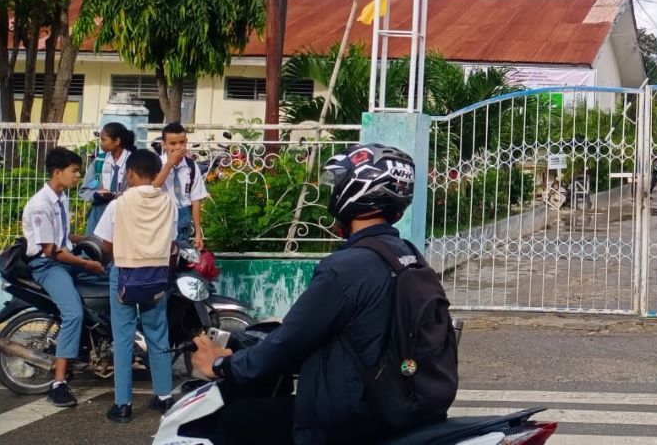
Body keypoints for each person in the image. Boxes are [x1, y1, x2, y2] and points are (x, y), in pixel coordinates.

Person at [189, 144, 432, 445]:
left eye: (338, 184)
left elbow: (289, 340)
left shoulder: (345, 267)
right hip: (393, 403)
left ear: (355, 191)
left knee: (236, 421)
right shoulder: (407, 255)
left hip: (346, 416)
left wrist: (222, 365)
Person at [95, 148, 178, 424]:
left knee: (123, 339)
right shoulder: (169, 203)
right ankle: (164, 396)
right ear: (157, 174)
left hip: (125, 274)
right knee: (158, 335)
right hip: (156, 274)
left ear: (129, 173)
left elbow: (105, 243)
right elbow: (173, 239)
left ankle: (123, 405)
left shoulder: (118, 204)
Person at [21, 147, 108, 407]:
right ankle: (59, 382)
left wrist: (91, 240)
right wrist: (86, 264)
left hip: (64, 259)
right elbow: (51, 250)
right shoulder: (40, 205)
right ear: (57, 172)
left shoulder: (61, 198)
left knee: (108, 283)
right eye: (74, 171)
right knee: (73, 314)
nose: (78, 176)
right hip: (48, 266)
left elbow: (64, 237)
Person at [158, 122, 210, 249]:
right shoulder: (157, 164)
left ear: (186, 142)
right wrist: (169, 164)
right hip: (163, 215)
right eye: (172, 144)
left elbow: (196, 200)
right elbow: (154, 186)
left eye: (182, 142)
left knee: (181, 253)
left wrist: (198, 233)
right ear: (164, 145)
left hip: (183, 217)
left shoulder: (191, 167)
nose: (178, 147)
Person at [81, 122, 136, 235]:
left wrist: (119, 196)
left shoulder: (133, 161)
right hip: (100, 212)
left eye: (104, 140)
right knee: (95, 247)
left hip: (125, 213)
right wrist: (97, 195)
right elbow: (85, 190)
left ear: (117, 141)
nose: (101, 143)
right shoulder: (99, 161)